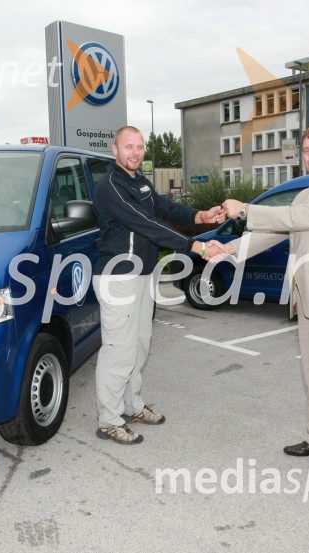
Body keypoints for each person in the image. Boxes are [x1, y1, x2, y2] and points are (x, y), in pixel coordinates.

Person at [217, 124, 309, 481]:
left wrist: (246, 210)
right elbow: (274, 231)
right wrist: (227, 249)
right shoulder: (308, 193)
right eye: (306, 150)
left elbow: (295, 219)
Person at [92, 125, 224, 445]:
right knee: (118, 351)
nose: (135, 152)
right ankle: (109, 419)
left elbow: (164, 208)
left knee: (139, 345)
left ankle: (132, 406)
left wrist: (200, 215)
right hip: (117, 277)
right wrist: (195, 246)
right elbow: (146, 224)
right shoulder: (110, 186)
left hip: (142, 275)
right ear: (115, 149)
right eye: (129, 147)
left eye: (140, 147)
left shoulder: (139, 181)